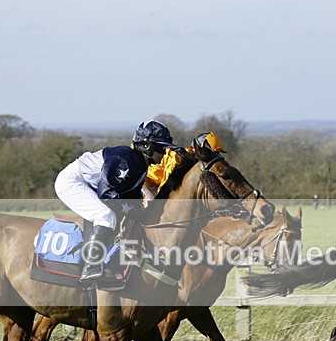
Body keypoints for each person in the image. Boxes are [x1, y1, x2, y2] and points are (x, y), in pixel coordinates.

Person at [55, 120, 174, 284]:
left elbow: (131, 196)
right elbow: (107, 194)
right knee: (106, 216)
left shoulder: (140, 163)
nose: (164, 152)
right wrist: (133, 211)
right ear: (146, 145)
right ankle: (91, 267)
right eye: (161, 148)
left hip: (88, 185)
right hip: (72, 182)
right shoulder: (126, 158)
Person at [142, 131, 228, 199]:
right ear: (200, 150)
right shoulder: (177, 158)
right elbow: (166, 189)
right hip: (145, 185)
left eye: (218, 154)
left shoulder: (192, 161)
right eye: (213, 153)